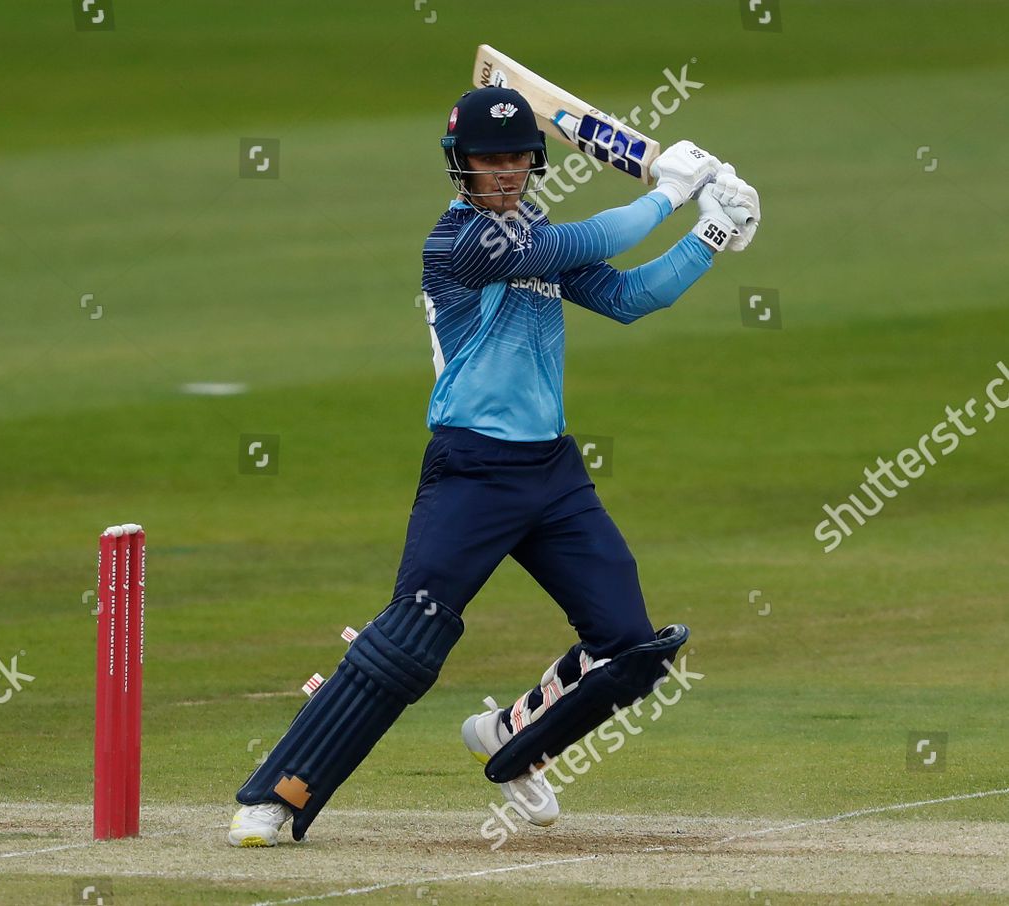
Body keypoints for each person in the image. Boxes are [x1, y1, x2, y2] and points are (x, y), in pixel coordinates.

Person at [227, 86, 760, 847]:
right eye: (489, 159)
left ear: (535, 161)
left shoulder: (537, 232)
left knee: (632, 646)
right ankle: (274, 798)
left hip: (552, 473)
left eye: (516, 157)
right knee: (408, 644)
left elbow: (633, 296)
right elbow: (587, 242)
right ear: (462, 167)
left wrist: (712, 230)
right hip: (471, 470)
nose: (505, 172)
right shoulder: (460, 242)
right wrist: (671, 192)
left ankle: (514, 738)